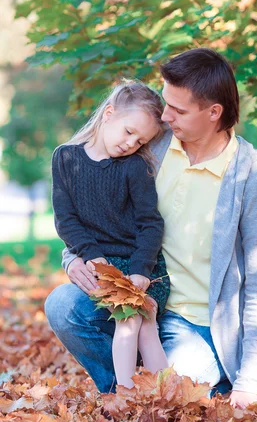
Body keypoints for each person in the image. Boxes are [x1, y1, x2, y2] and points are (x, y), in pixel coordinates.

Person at [45, 48, 257, 409]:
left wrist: (249, 379)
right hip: (134, 286)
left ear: (213, 113)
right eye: (165, 104)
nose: (165, 116)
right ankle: (124, 394)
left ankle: (175, 386)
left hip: (198, 323)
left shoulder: (250, 178)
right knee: (63, 305)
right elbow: (94, 206)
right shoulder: (151, 144)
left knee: (177, 384)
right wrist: (73, 257)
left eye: (178, 110)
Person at [50, 81, 170, 389]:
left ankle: (158, 398)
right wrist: (94, 257)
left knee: (139, 326)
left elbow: (150, 223)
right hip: (102, 266)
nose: (131, 144)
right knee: (132, 323)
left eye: (141, 140)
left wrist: (142, 271)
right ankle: (129, 395)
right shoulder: (65, 159)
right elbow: (66, 220)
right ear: (108, 114)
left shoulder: (135, 166)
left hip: (141, 266)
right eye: (129, 132)